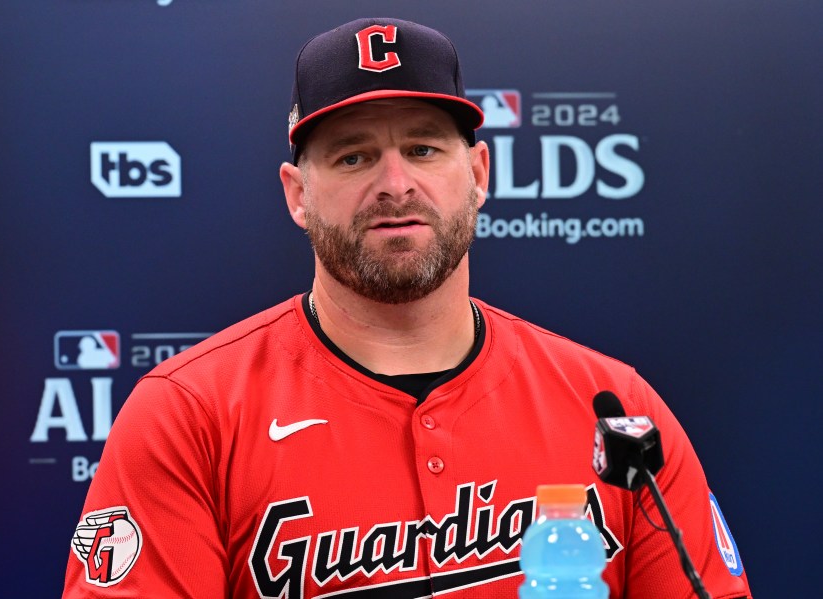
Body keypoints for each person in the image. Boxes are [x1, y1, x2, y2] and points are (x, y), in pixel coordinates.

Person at [62, 18, 752, 598]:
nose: (395, 184)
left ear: (478, 174)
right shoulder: (189, 415)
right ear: (297, 193)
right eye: (354, 157)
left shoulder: (614, 407)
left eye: (422, 148)